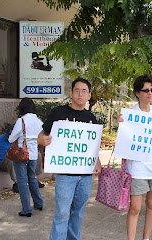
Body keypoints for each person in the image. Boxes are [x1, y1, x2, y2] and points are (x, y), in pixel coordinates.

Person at [37, 77, 102, 240]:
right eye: (77, 90)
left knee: (78, 213)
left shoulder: (91, 118)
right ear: (71, 93)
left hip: (85, 176)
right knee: (61, 213)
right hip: (65, 175)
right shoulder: (58, 113)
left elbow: (92, 146)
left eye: (84, 91)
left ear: (89, 95)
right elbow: (42, 134)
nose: (81, 94)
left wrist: (98, 162)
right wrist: (41, 140)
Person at [118, 74, 152, 240]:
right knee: (134, 208)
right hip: (138, 169)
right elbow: (123, 142)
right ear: (137, 93)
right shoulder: (129, 114)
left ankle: (146, 238)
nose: (150, 93)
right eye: (146, 90)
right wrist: (120, 125)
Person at [8, 98, 44, 217]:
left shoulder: (21, 120)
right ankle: (38, 203)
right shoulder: (39, 121)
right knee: (32, 178)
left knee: (22, 181)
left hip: (21, 155)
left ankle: (26, 209)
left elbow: (11, 139)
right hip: (33, 155)